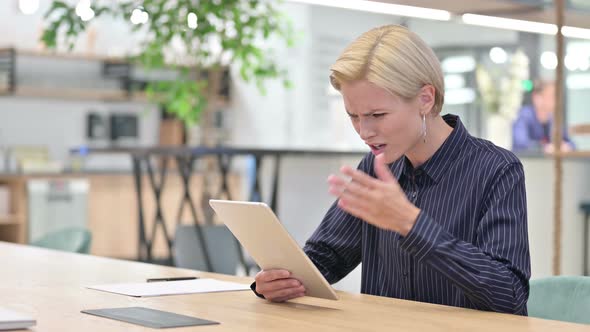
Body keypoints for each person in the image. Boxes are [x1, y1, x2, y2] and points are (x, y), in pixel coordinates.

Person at [252, 25, 531, 315]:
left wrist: (413, 225)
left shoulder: (497, 169)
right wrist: (280, 281)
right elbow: (327, 257)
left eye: (377, 115)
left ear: (426, 98)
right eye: (354, 116)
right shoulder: (374, 168)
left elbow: (509, 296)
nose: (364, 131)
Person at [512, 80, 574, 153]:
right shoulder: (524, 115)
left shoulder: (553, 120)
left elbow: (571, 144)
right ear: (537, 98)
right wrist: (544, 148)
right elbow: (520, 144)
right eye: (552, 96)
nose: (557, 100)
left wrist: (567, 146)